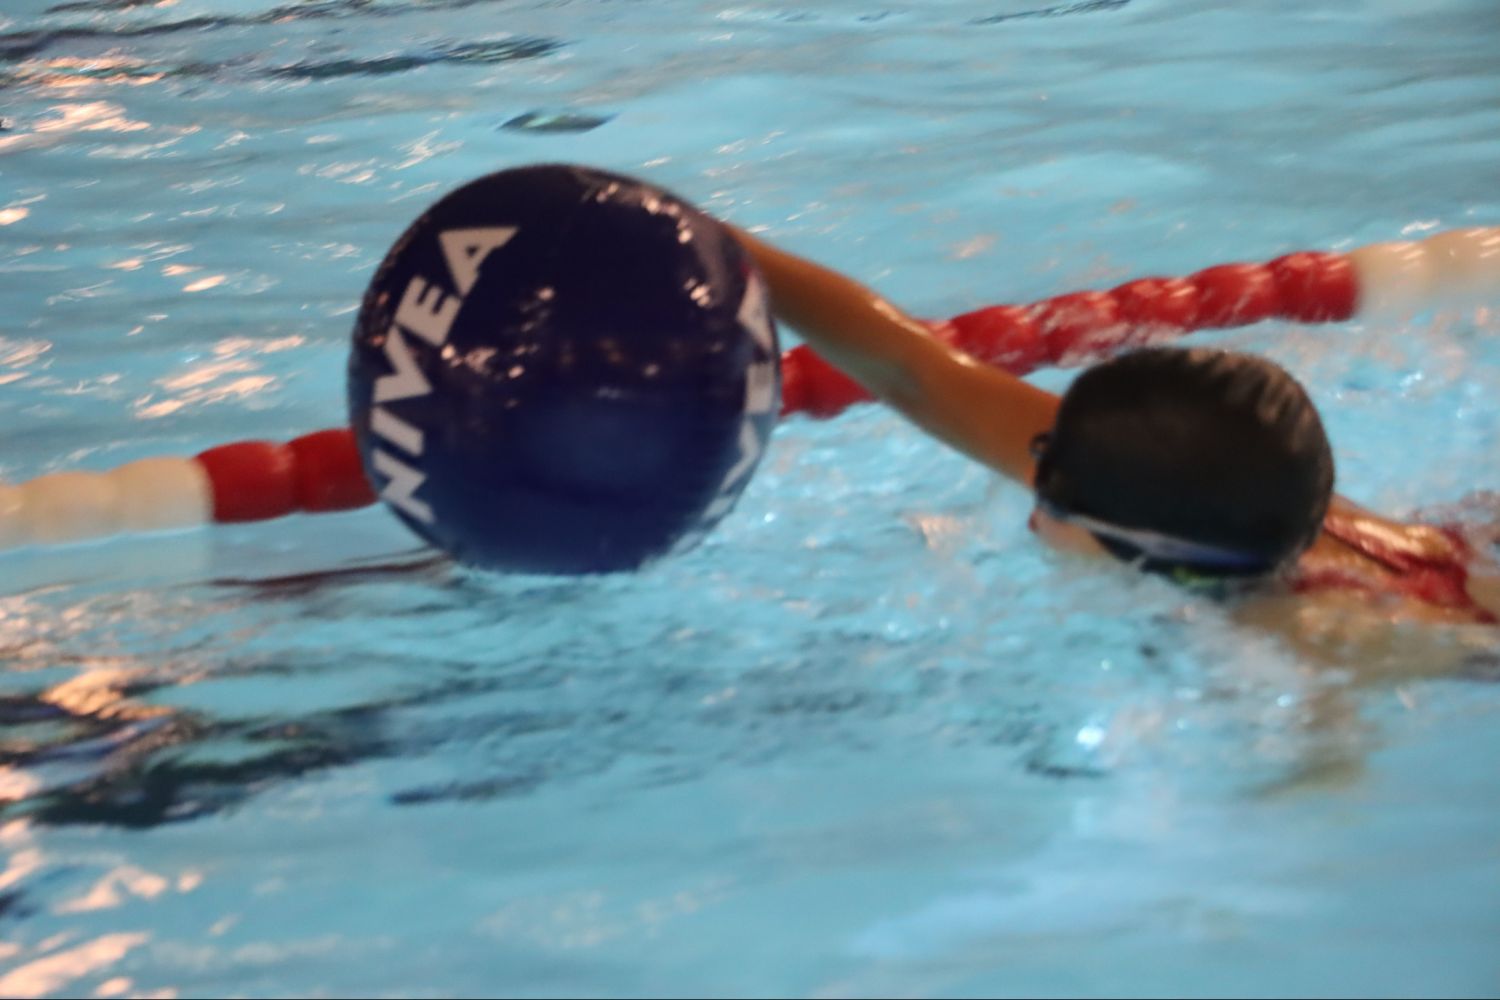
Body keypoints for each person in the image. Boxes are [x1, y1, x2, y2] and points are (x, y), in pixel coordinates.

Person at [728, 226, 1500, 649]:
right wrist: (720, 240)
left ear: (1143, 545)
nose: (1031, 472)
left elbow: (1320, 798)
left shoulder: (1292, 640)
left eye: (1051, 482)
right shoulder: (1192, 487)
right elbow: (911, 370)